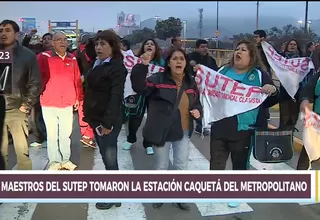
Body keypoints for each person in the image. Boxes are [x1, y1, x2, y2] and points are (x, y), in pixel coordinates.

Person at [209, 40, 279, 206]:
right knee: (216, 161)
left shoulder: (259, 75)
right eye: (237, 49)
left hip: (244, 129)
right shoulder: (222, 71)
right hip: (220, 125)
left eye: (243, 50)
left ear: (251, 56)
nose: (238, 52)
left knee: (239, 163)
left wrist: (272, 90)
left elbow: (271, 99)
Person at [131, 48, 202, 210]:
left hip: (183, 130)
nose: (178, 62)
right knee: (161, 166)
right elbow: (139, 88)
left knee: (181, 165)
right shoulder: (157, 79)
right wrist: (142, 66)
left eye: (182, 59)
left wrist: (198, 111)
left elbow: (197, 102)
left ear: (185, 63)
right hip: (161, 131)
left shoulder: (191, 82)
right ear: (168, 63)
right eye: (175, 59)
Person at [83, 30, 127, 210]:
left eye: (103, 44)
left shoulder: (116, 67)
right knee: (105, 156)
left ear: (113, 47)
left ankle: (112, 195)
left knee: (109, 158)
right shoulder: (96, 62)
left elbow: (116, 96)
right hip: (96, 118)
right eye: (97, 44)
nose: (99, 48)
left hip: (107, 121)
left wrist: (107, 123)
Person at [37, 32, 83, 171]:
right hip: (49, 102)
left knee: (65, 134)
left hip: (67, 102)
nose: (62, 42)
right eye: (58, 40)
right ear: (52, 43)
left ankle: (65, 160)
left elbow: (77, 80)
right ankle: (54, 161)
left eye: (65, 40)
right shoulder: (44, 58)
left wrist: (78, 97)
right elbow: (36, 78)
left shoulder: (72, 59)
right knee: (52, 135)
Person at [0, 20, 41, 170]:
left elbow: (35, 82)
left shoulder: (27, 55)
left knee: (22, 152)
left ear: (16, 34)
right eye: (1, 30)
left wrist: (26, 104)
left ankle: (25, 184)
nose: (3, 33)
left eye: (7, 30)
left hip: (17, 109)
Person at [121, 38, 165, 155]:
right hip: (139, 93)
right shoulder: (135, 60)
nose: (149, 46)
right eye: (147, 44)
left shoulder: (162, 63)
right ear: (143, 48)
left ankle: (148, 143)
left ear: (155, 48)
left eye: (152, 44)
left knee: (152, 120)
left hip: (155, 95)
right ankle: (131, 139)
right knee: (135, 118)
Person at [188, 39, 218, 136]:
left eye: (206, 47)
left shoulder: (210, 60)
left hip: (207, 89)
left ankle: (201, 126)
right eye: (202, 47)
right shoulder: (189, 58)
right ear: (197, 48)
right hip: (192, 87)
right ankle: (199, 125)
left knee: (205, 107)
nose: (205, 49)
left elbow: (216, 73)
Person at [73, 34, 96, 148]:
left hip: (80, 85)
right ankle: (88, 136)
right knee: (91, 111)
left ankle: (86, 136)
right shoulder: (95, 52)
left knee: (82, 111)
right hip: (92, 85)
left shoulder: (76, 53)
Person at [297, 71, 320, 170]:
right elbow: (307, 90)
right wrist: (305, 100)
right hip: (316, 123)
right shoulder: (318, 76)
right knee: (306, 156)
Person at [279, 39, 303, 130]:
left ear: (297, 47)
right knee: (284, 117)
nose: (292, 46)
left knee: (293, 117)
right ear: (287, 46)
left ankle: (290, 135)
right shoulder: (281, 58)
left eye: (294, 44)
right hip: (284, 91)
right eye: (290, 44)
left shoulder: (302, 59)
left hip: (296, 91)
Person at [253, 29, 271, 120]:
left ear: (262, 38)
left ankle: (265, 114)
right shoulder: (254, 48)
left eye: (256, 37)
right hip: (256, 73)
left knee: (265, 93)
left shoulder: (267, 49)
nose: (254, 39)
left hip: (265, 73)